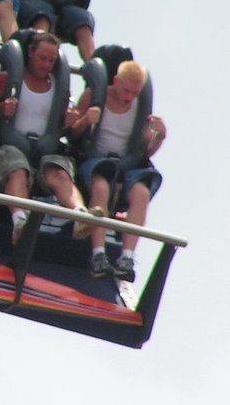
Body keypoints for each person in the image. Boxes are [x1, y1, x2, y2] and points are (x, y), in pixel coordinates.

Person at [0, 31, 92, 243]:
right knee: (17, 168)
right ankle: (19, 222)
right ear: (30, 53)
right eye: (42, 58)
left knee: (61, 172)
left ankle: (80, 215)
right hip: (10, 150)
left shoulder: (59, 90)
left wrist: (72, 122)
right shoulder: (7, 80)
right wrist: (0, 108)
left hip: (44, 154)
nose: (46, 64)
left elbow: (67, 132)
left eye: (51, 60)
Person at [69, 59, 166, 282]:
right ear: (115, 81)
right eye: (125, 90)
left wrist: (159, 137)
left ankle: (127, 258)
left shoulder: (140, 108)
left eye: (134, 93)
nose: (129, 97)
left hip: (126, 167)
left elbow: (145, 153)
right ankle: (98, 255)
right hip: (94, 161)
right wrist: (84, 120)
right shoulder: (95, 96)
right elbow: (71, 134)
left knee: (141, 192)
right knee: (101, 185)